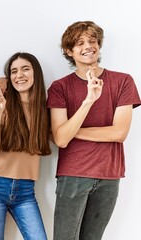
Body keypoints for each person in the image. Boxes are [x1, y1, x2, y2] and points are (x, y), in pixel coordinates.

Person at [47, 21, 141, 240]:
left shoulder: (123, 81)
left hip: (109, 175)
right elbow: (61, 139)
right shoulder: (60, 87)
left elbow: (119, 133)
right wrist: (89, 100)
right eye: (79, 43)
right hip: (73, 174)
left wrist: (72, 131)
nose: (88, 46)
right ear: (69, 51)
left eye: (92, 40)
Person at [0, 52, 51, 240]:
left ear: (36, 73)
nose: (19, 75)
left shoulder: (43, 109)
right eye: (13, 71)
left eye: (25, 69)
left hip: (26, 191)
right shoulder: (0, 100)